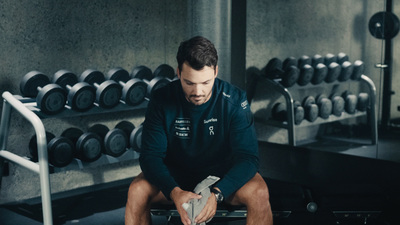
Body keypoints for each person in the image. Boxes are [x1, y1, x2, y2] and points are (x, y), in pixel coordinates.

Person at [125, 36, 273, 225]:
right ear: (179, 73)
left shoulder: (235, 100)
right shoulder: (162, 99)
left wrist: (218, 194)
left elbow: (248, 158)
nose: (198, 91)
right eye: (189, 83)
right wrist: (174, 192)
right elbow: (150, 156)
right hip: (176, 176)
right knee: (137, 191)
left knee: (259, 193)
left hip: (221, 176)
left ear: (216, 72)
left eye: (205, 82)